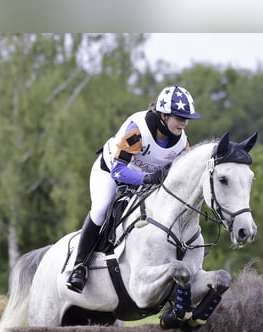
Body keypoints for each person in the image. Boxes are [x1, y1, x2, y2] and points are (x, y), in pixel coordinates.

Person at [66, 85, 202, 293]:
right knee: (102, 208)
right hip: (110, 171)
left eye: (186, 118)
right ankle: (79, 266)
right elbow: (118, 171)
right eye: (179, 117)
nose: (184, 122)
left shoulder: (182, 144)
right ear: (164, 115)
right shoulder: (137, 131)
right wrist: (147, 179)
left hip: (145, 181)